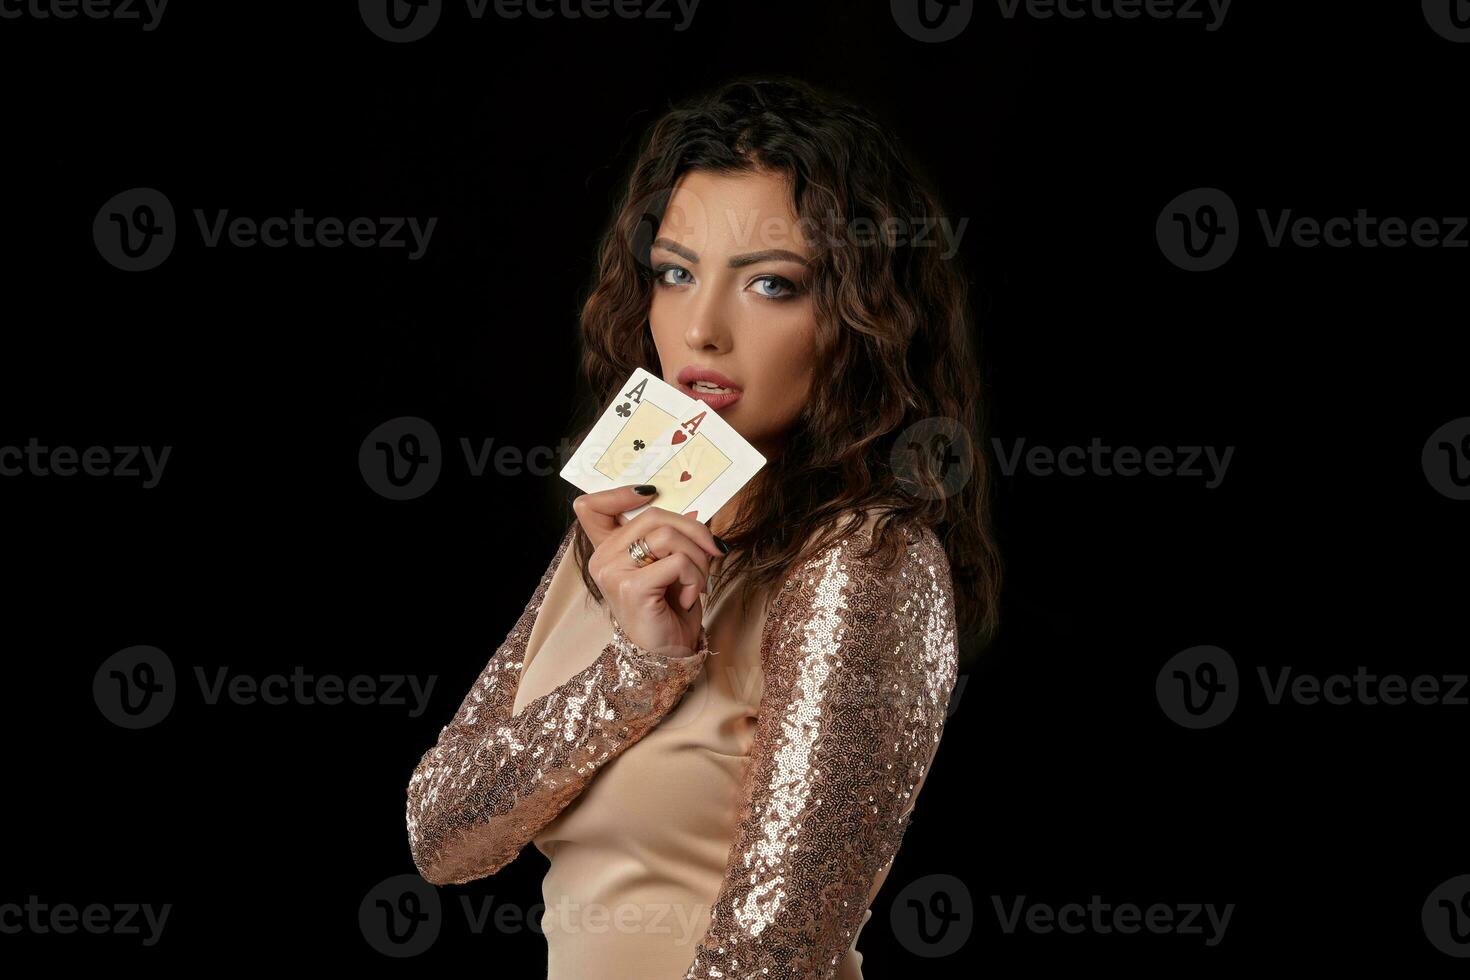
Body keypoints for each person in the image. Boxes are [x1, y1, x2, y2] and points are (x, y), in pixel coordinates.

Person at [405, 75, 1002, 979]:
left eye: (772, 284)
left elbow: (777, 952)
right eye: (676, 273)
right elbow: (441, 834)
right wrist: (640, 670)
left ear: (860, 321)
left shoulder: (866, 560)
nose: (703, 329)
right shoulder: (627, 534)